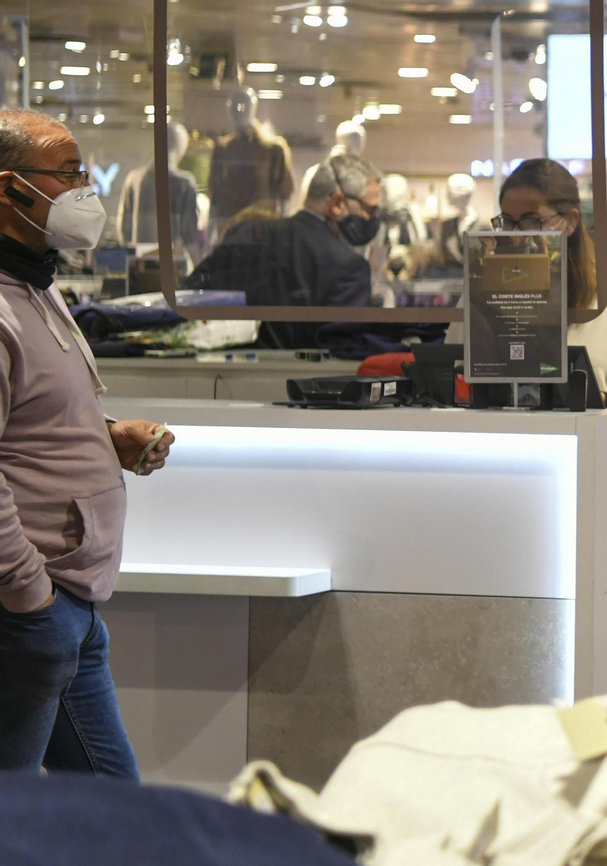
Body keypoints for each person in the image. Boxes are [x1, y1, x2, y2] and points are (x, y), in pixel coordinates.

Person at [0, 109, 175, 777]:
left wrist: (107, 438)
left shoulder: (36, 284)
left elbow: (30, 421)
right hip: (30, 610)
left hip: (71, 606)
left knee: (113, 811)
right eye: (69, 174)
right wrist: (29, 597)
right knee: (14, 822)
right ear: (10, 188)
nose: (85, 190)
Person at [491, 159, 607, 410]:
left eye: (532, 221)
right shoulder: (482, 297)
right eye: (507, 222)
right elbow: (447, 377)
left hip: (586, 444)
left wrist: (602, 400)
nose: (517, 237)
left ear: (570, 221)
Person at [188, 152, 381, 349]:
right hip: (298, 378)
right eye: (370, 209)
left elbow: (190, 295)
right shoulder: (349, 268)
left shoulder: (247, 234)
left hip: (220, 372)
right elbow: (342, 355)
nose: (372, 218)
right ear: (337, 203)